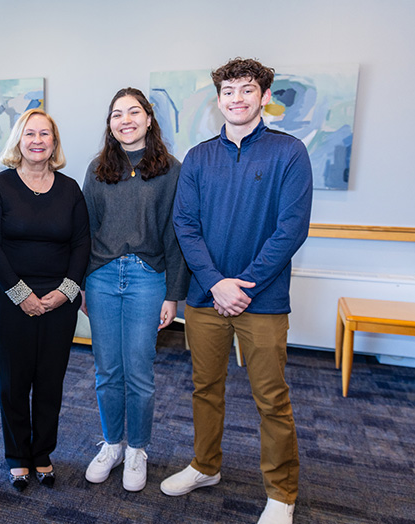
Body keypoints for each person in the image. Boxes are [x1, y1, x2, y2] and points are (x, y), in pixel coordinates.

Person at [165, 58, 313, 524]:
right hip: (207, 299)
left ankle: (281, 494)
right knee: (204, 388)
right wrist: (216, 283)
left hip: (262, 301)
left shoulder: (289, 153)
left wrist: (242, 286)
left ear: (264, 96)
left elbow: (291, 230)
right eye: (228, 91)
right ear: (219, 99)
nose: (237, 99)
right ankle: (205, 466)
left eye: (247, 90)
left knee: (271, 398)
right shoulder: (199, 157)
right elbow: (185, 226)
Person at [82, 87, 190, 492]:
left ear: (148, 118)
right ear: (110, 124)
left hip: (149, 278)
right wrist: (82, 288)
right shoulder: (97, 170)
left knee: (140, 372)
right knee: (107, 371)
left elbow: (177, 235)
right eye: (116, 114)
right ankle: (111, 444)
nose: (125, 120)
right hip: (102, 278)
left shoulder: (172, 170)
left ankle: (137, 450)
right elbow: (85, 233)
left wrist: (172, 295)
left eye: (133, 112)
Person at [0, 109, 90, 491]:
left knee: (50, 382)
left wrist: (67, 290)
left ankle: (42, 453)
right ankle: (17, 456)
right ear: (18, 140)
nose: (37, 141)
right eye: (30, 134)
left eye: (45, 134)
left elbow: (81, 243)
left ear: (54, 142)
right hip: (10, 300)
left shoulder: (70, 189)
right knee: (13, 383)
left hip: (58, 303)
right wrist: (20, 293)